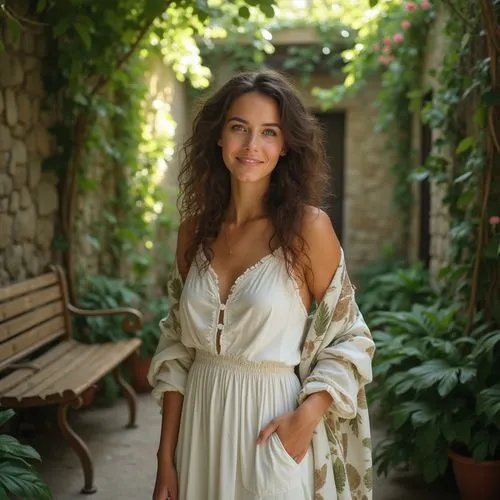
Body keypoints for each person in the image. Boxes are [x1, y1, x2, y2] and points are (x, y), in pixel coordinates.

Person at [148, 70, 375, 500]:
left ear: (285, 144)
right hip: (199, 431)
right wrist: (165, 460)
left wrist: (305, 419)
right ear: (219, 137)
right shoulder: (193, 232)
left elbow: (351, 337)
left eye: (269, 132)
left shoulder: (307, 229)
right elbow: (177, 348)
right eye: (239, 128)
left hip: (272, 429)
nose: (252, 145)